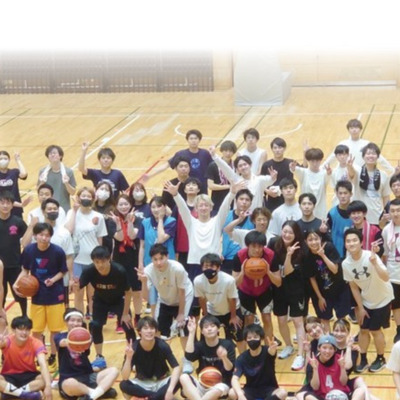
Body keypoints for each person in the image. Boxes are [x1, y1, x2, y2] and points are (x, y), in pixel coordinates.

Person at [14, 222, 67, 373]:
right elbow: (25, 270)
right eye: (41, 235)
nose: (44, 238)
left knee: (55, 331)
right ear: (35, 236)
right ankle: (39, 356)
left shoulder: (58, 251)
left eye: (47, 235)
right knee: (36, 330)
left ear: (51, 236)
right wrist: (17, 283)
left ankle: (53, 356)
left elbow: (63, 271)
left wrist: (53, 280)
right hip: (37, 295)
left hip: (55, 295)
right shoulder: (29, 250)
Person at [342, 228, 394, 373]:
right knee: (363, 330)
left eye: (354, 240)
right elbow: (353, 287)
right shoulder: (346, 264)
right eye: (348, 241)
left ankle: (381, 358)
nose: (351, 243)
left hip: (383, 298)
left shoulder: (371, 256)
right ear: (345, 244)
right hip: (366, 300)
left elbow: (386, 277)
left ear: (360, 242)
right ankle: (363, 359)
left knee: (375, 330)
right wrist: (360, 307)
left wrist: (375, 263)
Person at [77, 246, 136, 372]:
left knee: (128, 327)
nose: (100, 265)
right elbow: (78, 287)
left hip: (119, 300)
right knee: (95, 325)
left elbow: (128, 292)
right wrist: (74, 285)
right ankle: (99, 357)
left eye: (103, 261)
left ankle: (132, 357)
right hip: (100, 300)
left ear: (109, 259)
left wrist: (125, 314)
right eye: (97, 262)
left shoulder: (119, 271)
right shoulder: (89, 270)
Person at [136, 244, 193, 371]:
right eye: (155, 259)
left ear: (167, 256)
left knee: (183, 330)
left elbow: (182, 292)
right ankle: (157, 358)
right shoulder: (148, 270)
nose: (158, 262)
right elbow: (145, 297)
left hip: (184, 297)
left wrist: (181, 314)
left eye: (161, 258)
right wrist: (143, 282)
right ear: (151, 259)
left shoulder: (177, 268)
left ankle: (187, 360)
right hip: (165, 299)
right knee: (158, 330)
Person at [268, 220, 306, 371]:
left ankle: (301, 354)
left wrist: (289, 255)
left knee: (298, 321)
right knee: (281, 320)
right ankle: (289, 346)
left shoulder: (301, 248)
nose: (287, 235)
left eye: (291, 232)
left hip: (296, 288)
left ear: (296, 234)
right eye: (285, 231)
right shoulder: (274, 243)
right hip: (279, 288)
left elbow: (288, 271)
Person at [55, 308, 118, 400]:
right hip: (69, 378)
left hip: (88, 376)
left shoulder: (86, 336)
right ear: (66, 322)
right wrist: (73, 341)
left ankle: (91, 395)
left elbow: (88, 342)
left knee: (114, 371)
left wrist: (87, 338)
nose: (75, 323)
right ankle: (97, 392)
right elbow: (62, 342)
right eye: (72, 320)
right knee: (68, 384)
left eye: (78, 321)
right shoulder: (59, 336)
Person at [232, 231, 281, 349]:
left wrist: (268, 271)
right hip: (245, 291)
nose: (257, 250)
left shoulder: (271, 255)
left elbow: (278, 282)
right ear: (247, 246)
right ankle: (251, 350)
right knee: (248, 320)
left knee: (267, 318)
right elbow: (234, 284)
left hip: (264, 290)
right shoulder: (239, 256)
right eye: (254, 246)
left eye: (260, 246)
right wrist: (243, 272)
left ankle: (269, 349)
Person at [64, 186, 107, 315]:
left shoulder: (98, 216)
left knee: (93, 294)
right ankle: (79, 319)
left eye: (89, 196)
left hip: (93, 261)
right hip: (77, 260)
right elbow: (68, 230)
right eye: (83, 196)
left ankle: (93, 318)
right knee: (78, 292)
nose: (86, 198)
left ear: (93, 199)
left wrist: (100, 260)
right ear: (78, 198)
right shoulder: (71, 213)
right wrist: (74, 210)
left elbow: (100, 239)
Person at [120, 316, 180, 400]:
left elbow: (176, 367)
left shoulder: (162, 345)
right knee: (124, 384)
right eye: (145, 328)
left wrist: (170, 390)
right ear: (139, 331)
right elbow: (125, 377)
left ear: (155, 331)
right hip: (143, 383)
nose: (149, 331)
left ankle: (150, 398)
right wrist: (128, 358)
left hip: (162, 381)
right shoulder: (134, 348)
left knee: (179, 379)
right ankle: (156, 397)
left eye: (152, 328)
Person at [194, 254, 244, 351]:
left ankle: (243, 358)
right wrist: (206, 315)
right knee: (206, 336)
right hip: (212, 311)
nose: (209, 269)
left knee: (238, 335)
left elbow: (232, 299)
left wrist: (233, 316)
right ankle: (206, 359)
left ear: (218, 268)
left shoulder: (228, 280)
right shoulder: (198, 281)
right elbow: (202, 299)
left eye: (212, 266)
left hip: (231, 310)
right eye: (206, 266)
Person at [304, 230, 350, 333]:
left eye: (316, 239)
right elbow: (312, 278)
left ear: (320, 239)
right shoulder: (307, 256)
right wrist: (320, 297)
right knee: (324, 319)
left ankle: (343, 340)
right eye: (310, 240)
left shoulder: (329, 247)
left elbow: (335, 270)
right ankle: (328, 341)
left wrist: (323, 256)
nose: (313, 242)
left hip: (339, 289)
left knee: (341, 318)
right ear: (306, 242)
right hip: (322, 293)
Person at [180, 315, 236, 400]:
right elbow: (189, 356)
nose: (209, 329)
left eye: (212, 326)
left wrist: (224, 357)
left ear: (218, 329)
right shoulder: (200, 345)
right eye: (206, 327)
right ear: (202, 331)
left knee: (217, 389)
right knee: (183, 377)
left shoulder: (227, 344)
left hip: (221, 384)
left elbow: (230, 369)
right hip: (203, 384)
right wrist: (191, 333)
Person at [142, 129, 213, 194]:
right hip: (186, 187)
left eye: (195, 138)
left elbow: (214, 167)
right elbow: (166, 165)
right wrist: (150, 175)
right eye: (191, 139)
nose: (193, 141)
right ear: (187, 140)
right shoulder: (181, 154)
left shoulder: (205, 153)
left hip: (202, 187)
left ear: (199, 140)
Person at [296, 335, 364, 400]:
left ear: (335, 350)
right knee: (308, 397)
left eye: (331, 348)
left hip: (342, 395)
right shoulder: (314, 362)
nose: (327, 351)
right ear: (319, 348)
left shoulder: (339, 359)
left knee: (361, 391)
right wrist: (315, 369)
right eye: (324, 348)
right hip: (323, 396)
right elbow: (315, 387)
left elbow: (344, 383)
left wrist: (342, 367)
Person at [0, 315, 52, 400]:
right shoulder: (7, 341)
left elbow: (43, 364)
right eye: (21, 329)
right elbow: (2, 344)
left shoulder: (36, 343)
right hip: (9, 375)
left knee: (48, 378)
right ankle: (25, 394)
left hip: (29, 375)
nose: (24, 333)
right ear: (13, 330)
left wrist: (48, 386)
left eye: (27, 329)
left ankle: (11, 393)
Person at [230, 323, 287, 400]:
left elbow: (271, 352)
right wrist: (240, 395)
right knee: (232, 392)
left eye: (255, 337)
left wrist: (273, 348)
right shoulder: (241, 358)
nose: (252, 340)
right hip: (250, 390)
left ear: (261, 339)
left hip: (269, 389)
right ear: (246, 340)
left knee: (283, 392)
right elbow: (234, 379)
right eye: (249, 338)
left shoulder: (267, 351)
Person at [111, 194, 142, 329]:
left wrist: (129, 222)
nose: (123, 207)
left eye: (126, 204)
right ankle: (122, 316)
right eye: (121, 204)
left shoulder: (138, 219)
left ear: (130, 205)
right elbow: (119, 238)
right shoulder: (112, 220)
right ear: (116, 206)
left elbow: (131, 235)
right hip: (119, 258)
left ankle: (138, 317)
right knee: (121, 292)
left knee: (136, 291)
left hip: (134, 257)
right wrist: (119, 223)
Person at [210, 149, 277, 211]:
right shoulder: (236, 180)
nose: (243, 167)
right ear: (237, 169)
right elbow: (225, 168)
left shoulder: (259, 180)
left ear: (250, 165)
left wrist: (273, 177)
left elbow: (271, 179)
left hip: (256, 216)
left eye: (245, 164)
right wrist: (215, 156)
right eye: (240, 166)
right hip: (239, 216)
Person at [324, 118, 394, 173]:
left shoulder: (366, 144)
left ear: (360, 129)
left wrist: (392, 170)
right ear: (348, 130)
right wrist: (322, 168)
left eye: (356, 128)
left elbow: (380, 158)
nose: (354, 130)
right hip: (346, 173)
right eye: (351, 128)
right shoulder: (343, 144)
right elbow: (332, 157)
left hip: (361, 174)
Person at [347, 142, 392, 225]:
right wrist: (349, 167)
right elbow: (351, 174)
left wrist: (387, 215)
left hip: (377, 218)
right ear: (363, 156)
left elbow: (386, 197)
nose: (371, 156)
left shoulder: (383, 175)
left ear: (378, 157)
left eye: (373, 154)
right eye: (368, 153)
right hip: (359, 219)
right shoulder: (358, 171)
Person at [0, 190, 28, 316]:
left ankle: (24, 316)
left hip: (15, 265)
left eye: (8, 203)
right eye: (2, 203)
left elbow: (27, 240)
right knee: (1, 296)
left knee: (20, 293)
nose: (5, 206)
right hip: (0, 268)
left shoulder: (18, 222)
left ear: (12, 205)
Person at [290, 147, 330, 220]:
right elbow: (295, 170)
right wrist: (292, 167)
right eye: (312, 161)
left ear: (321, 160)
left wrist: (329, 173)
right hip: (305, 211)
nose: (315, 164)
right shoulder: (303, 173)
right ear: (308, 160)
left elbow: (328, 177)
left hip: (320, 211)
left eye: (317, 161)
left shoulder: (324, 173)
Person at [221, 188, 254, 274]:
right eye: (241, 199)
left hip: (245, 258)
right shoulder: (225, 215)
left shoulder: (253, 219)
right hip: (226, 257)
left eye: (247, 200)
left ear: (251, 203)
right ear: (236, 201)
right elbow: (217, 235)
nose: (244, 202)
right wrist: (217, 252)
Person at [382, 198, 400, 343]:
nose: (396, 213)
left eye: (398, 210)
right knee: (396, 304)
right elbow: (386, 253)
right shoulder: (387, 230)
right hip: (393, 273)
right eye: (393, 211)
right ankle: (399, 329)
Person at [38, 144, 76, 212]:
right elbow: (38, 190)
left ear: (60, 156)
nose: (52, 155)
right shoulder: (43, 172)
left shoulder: (68, 172)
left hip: (64, 208)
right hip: (48, 209)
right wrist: (42, 182)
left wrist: (66, 183)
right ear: (48, 157)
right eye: (50, 154)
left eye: (54, 153)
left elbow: (73, 192)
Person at [260, 137, 294, 212]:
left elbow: (303, 168)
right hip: (271, 199)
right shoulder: (266, 165)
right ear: (272, 149)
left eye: (280, 147)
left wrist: (305, 154)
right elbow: (261, 183)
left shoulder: (290, 163)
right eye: (275, 148)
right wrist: (268, 191)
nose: (277, 150)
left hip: (287, 197)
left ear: (284, 148)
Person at [206, 140, 237, 212]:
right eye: (226, 151)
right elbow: (211, 186)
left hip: (233, 199)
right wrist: (228, 186)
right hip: (217, 199)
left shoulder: (236, 165)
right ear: (221, 151)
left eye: (230, 151)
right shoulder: (213, 165)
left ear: (234, 152)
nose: (228, 153)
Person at [327, 180, 353, 259]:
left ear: (351, 194)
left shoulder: (356, 213)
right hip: (337, 255)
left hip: (353, 254)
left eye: (345, 193)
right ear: (336, 194)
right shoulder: (332, 213)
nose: (343, 196)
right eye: (340, 193)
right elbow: (328, 235)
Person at [0, 150, 28, 217]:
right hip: (2, 207)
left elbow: (24, 174)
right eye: (1, 159)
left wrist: (18, 160)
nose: (3, 160)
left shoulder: (14, 172)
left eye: (5, 159)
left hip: (16, 208)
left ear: (9, 160)